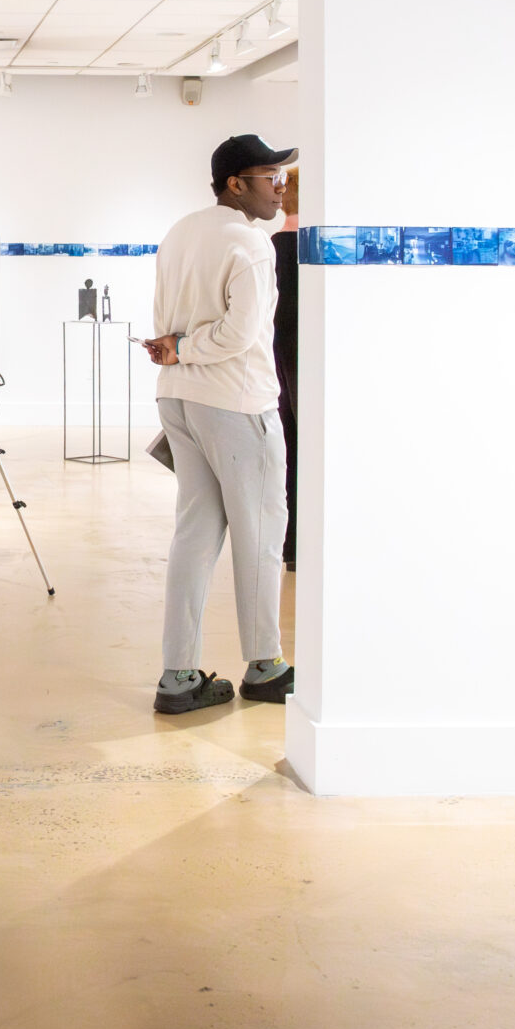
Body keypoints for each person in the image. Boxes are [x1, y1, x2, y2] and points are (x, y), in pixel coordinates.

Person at [139, 134, 298, 715]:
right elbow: (239, 335)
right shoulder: (251, 245)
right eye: (269, 176)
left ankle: (178, 676)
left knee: (195, 534)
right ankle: (266, 665)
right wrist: (185, 347)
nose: (279, 185)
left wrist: (178, 351)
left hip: (178, 400)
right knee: (260, 534)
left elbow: (168, 318)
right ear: (236, 183)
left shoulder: (181, 231)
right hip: (236, 402)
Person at [272, 166, 301, 572]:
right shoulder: (310, 252)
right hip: (303, 359)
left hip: (277, 361)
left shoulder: (271, 249)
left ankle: (291, 544)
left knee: (290, 448)